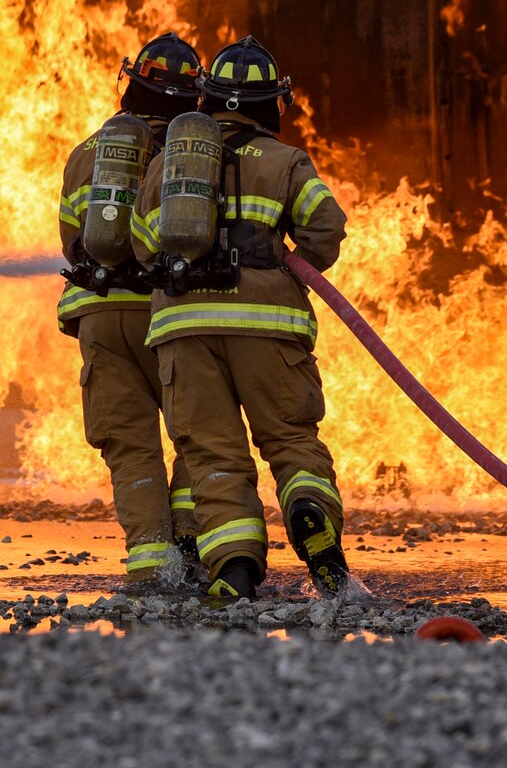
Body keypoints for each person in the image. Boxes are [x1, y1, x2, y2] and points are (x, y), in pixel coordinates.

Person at [131, 35, 350, 605]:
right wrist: (280, 254)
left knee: (211, 453)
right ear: (272, 103)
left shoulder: (168, 164)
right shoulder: (286, 161)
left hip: (184, 328)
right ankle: (308, 513)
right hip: (267, 326)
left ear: (207, 97)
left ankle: (235, 570)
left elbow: (141, 242)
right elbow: (326, 228)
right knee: (289, 437)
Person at [57, 32, 203, 591]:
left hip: (100, 315)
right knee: (198, 433)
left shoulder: (89, 152)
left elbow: (75, 239)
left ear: (131, 84)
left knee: (129, 446)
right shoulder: (196, 156)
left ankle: (151, 566)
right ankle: (191, 547)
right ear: (195, 97)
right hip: (172, 315)